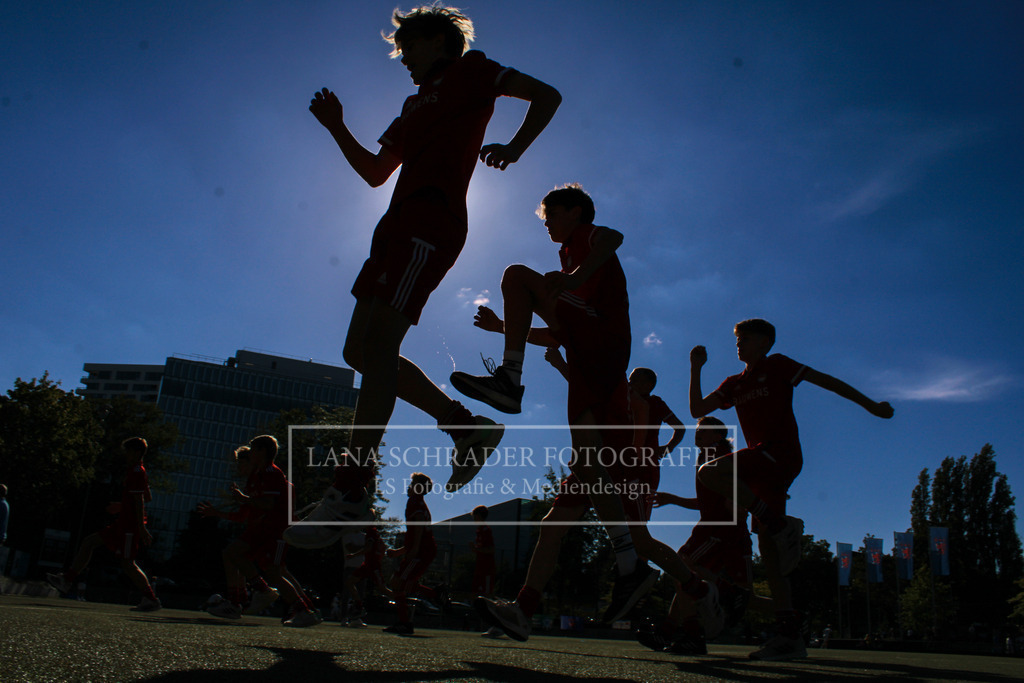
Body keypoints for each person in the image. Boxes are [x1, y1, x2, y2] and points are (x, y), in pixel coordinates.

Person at [288, 4, 562, 548]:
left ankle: (349, 489)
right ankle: (465, 427)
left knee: (381, 344)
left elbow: (546, 95)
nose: (405, 60)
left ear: (439, 41)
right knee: (360, 353)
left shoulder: (474, 71)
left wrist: (513, 147)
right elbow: (373, 173)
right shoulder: (411, 107)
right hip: (393, 224)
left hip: (433, 219)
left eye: (409, 48)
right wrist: (337, 127)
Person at [452, 184, 724, 641]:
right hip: (584, 367)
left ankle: (510, 381)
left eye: (552, 214)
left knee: (517, 274)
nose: (548, 224)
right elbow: (559, 332)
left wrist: (575, 278)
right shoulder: (567, 262)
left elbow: (614, 239)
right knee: (555, 525)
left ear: (576, 212)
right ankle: (528, 608)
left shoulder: (589, 239)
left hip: (601, 349)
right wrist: (505, 325)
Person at [689, 319, 894, 660]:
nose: (738, 344)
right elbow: (697, 410)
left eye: (746, 338)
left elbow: (827, 382)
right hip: (760, 468)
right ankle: (790, 638)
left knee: (710, 471)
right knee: (770, 555)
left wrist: (871, 405)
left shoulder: (779, 365)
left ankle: (781, 525)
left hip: (779, 453)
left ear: (765, 342)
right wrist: (696, 368)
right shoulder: (735, 383)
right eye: (737, 339)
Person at [640, 417, 769, 655]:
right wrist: (674, 499)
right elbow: (709, 500)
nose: (697, 434)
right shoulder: (708, 457)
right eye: (697, 430)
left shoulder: (720, 458)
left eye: (703, 430)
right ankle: (791, 615)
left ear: (718, 436)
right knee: (734, 595)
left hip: (719, 529)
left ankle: (687, 631)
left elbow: (736, 493)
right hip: (725, 531)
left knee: (683, 568)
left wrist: (744, 504)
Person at [199, 436, 320, 627]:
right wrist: (238, 502)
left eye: (253, 450)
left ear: (262, 452)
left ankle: (297, 607)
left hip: (275, 531)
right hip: (263, 529)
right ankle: (247, 599)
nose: (249, 454)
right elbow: (246, 512)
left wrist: (244, 499)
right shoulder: (258, 477)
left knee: (273, 570)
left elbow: (267, 504)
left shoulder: (272, 474)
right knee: (236, 555)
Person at [46, 437, 161, 612]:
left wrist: (141, 527)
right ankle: (67, 579)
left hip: (130, 526)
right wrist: (122, 506)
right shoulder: (136, 470)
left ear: (136, 452)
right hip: (123, 523)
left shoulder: (137, 471)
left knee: (128, 564)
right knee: (89, 542)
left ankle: (151, 599)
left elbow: (140, 500)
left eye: (128, 451)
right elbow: (147, 497)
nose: (126, 455)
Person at [384, 472, 439, 635]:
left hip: (422, 551)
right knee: (399, 583)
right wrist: (400, 552)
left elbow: (419, 527)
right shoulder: (417, 502)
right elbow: (416, 532)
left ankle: (405, 623)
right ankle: (435, 594)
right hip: (423, 550)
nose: (409, 487)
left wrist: (413, 549)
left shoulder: (415, 502)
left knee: (397, 583)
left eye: (412, 484)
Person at [342, 524, 389, 628]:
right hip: (366, 564)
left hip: (371, 565)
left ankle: (403, 603)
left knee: (382, 589)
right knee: (349, 584)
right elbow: (382, 546)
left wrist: (354, 555)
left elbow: (369, 548)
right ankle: (358, 608)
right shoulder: (370, 532)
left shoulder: (371, 532)